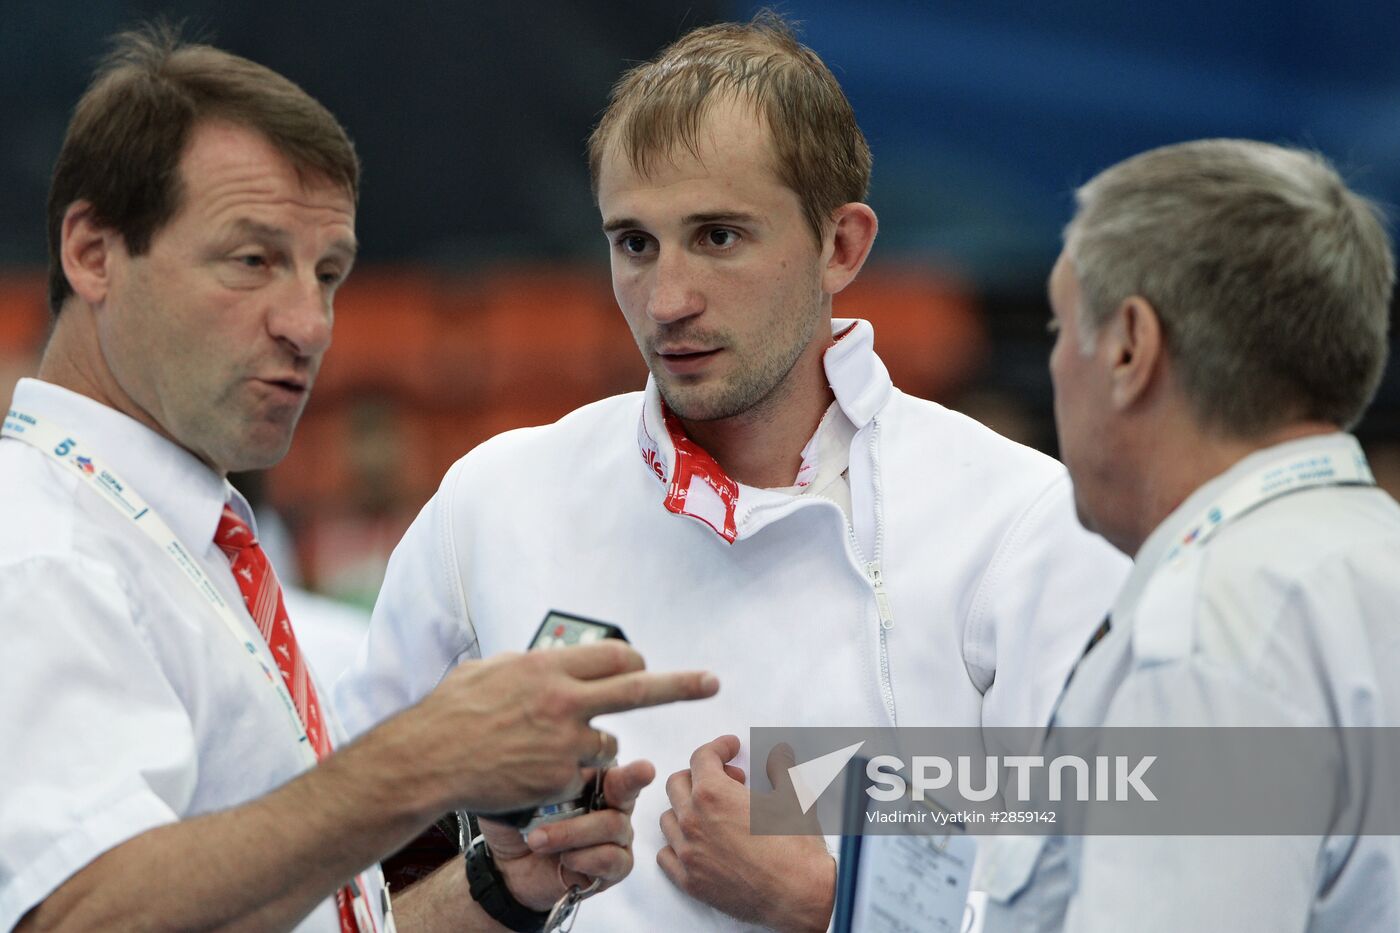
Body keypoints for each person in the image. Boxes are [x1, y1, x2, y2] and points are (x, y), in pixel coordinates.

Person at [335, 13, 1128, 931]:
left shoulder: (1022, 524)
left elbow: (1126, 901)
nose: (668, 301)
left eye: (718, 236)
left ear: (841, 247)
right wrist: (498, 887)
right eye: (635, 243)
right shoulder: (492, 504)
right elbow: (328, 895)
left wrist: (824, 903)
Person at [0, 27, 719, 932]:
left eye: (329, 272)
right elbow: (73, 917)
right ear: (93, 253)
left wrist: (497, 889)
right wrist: (420, 760)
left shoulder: (160, 535)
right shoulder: (39, 549)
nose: (309, 323)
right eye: (253, 260)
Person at [979, 139, 1400, 931]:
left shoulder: (1212, 626)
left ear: (1130, 348)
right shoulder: (1369, 559)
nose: (1058, 361)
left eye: (1061, 325)